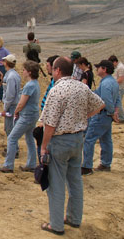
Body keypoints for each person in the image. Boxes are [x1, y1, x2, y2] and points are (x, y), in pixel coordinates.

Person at [39, 57, 104, 235]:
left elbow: (50, 124)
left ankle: (56, 224)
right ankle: (74, 218)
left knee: (56, 183)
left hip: (60, 141)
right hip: (77, 139)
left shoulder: (56, 90)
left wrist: (44, 147)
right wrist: (82, 117)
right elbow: (100, 104)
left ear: (58, 71)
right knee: (75, 180)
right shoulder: (81, 87)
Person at [0, 61, 41, 173]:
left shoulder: (29, 85)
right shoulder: (35, 83)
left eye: (25, 70)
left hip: (26, 116)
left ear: (29, 72)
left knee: (12, 138)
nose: (23, 72)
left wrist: (16, 112)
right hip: (33, 114)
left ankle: (8, 165)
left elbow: (21, 103)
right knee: (29, 138)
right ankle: (31, 164)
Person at [81, 60, 121, 176]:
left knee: (89, 139)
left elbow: (106, 101)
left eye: (98, 67)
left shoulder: (105, 83)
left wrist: (112, 112)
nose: (97, 69)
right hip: (107, 115)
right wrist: (115, 112)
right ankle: (105, 164)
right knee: (106, 139)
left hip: (102, 114)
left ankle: (87, 167)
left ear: (104, 69)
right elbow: (117, 98)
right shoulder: (113, 82)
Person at [0, 54, 21, 157]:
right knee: (11, 128)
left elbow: (10, 95)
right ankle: (12, 148)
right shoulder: (14, 74)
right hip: (13, 105)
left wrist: (5, 108)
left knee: (10, 129)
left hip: (11, 106)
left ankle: (13, 150)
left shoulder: (11, 76)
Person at [109, 55, 124, 123]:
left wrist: (112, 83)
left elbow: (121, 79)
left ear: (115, 62)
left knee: (118, 103)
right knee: (117, 103)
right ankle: (121, 116)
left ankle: (121, 118)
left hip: (120, 87)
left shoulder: (121, 68)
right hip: (118, 87)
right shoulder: (117, 67)